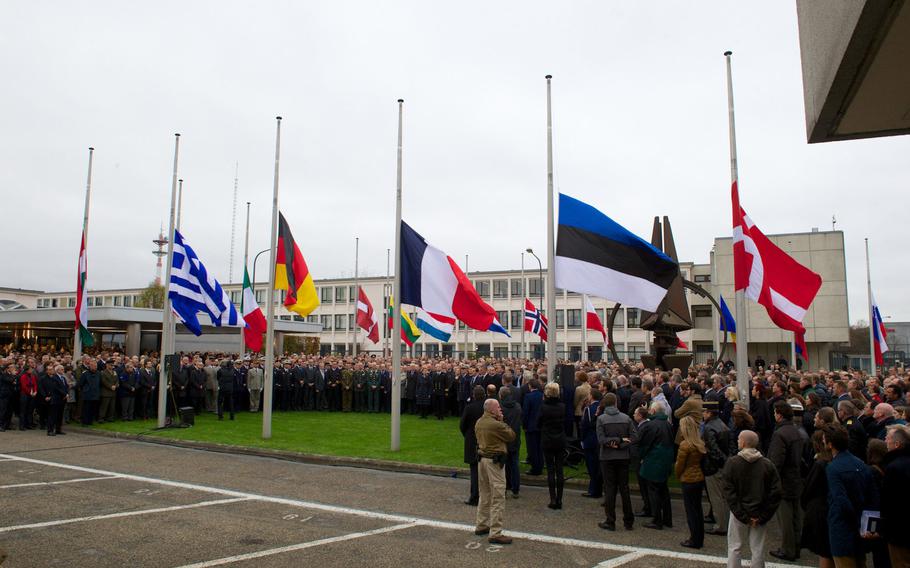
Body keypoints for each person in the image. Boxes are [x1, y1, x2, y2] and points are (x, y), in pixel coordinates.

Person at [723, 429, 782, 568]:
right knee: (757, 548)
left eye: (739, 439)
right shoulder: (767, 465)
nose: (737, 441)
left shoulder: (733, 463)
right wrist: (763, 516)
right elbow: (776, 492)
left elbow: (728, 491)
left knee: (734, 546)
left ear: (743, 442)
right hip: (759, 512)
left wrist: (741, 514)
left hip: (738, 512)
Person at [823, 423, 878, 568]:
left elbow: (840, 499)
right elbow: (873, 499)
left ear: (830, 444)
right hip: (861, 530)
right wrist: (869, 527)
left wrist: (857, 521)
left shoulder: (833, 468)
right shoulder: (861, 463)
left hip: (842, 528)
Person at [474, 397, 516, 545]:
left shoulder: (479, 421)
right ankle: (495, 532)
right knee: (498, 495)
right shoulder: (496, 424)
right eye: (498, 407)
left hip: (482, 460)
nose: (500, 410)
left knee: (484, 493)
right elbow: (511, 435)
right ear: (491, 409)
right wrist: (502, 420)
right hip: (494, 462)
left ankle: (481, 524)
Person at [768, 401, 806, 562]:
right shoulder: (797, 432)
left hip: (784, 480)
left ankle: (787, 549)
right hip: (796, 478)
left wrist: (770, 481)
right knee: (796, 516)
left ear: (779, 414)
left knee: (785, 518)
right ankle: (795, 546)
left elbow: (776, 461)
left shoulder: (780, 434)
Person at [596, 392, 634, 530]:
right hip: (622, 456)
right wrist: (619, 441)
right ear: (616, 403)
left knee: (610, 489)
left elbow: (601, 440)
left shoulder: (601, 419)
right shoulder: (626, 418)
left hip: (608, 457)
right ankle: (628, 520)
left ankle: (610, 520)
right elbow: (633, 437)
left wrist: (616, 444)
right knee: (624, 488)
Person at [638, 401, 674, 530]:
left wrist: (641, 457)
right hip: (665, 460)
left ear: (653, 411)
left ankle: (657, 519)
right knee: (663, 489)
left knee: (653, 490)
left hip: (653, 460)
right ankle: (667, 519)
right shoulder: (668, 424)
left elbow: (645, 445)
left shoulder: (651, 425)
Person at [881, 424, 910, 566]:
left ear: (897, 444)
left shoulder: (893, 467)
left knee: (900, 562)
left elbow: (888, 501)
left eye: (888, 438)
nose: (885, 440)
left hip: (898, 529)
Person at [676, 415, 706, 549]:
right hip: (698, 478)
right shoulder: (699, 443)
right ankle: (699, 537)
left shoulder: (685, 445)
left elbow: (679, 465)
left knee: (691, 511)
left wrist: (678, 475)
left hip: (688, 478)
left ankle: (694, 539)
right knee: (698, 510)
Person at [702, 399, 731, 536]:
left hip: (714, 466)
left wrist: (722, 461)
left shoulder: (709, 427)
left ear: (709, 413)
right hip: (722, 464)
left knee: (716, 497)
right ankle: (724, 522)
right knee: (722, 496)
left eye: (704, 412)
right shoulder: (722, 424)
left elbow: (713, 449)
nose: (703, 414)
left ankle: (720, 525)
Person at [538, 382, 566, 510]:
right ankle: (559, 499)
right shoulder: (562, 406)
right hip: (559, 438)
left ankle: (553, 499)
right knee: (559, 469)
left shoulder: (543, 407)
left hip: (548, 439)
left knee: (550, 469)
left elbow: (538, 422)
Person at [460, 385, 486, 506]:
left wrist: (468, 435)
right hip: (485, 440)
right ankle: (483, 496)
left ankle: (475, 496)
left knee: (474, 470)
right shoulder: (487, 407)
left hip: (473, 440)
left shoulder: (470, 408)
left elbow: (462, 425)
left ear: (474, 395)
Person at [499, 386, 522, 499]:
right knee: (514, 463)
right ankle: (515, 488)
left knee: (504, 464)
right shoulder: (517, 406)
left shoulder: (501, 408)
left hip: (504, 439)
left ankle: (506, 487)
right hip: (515, 438)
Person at [580, 389, 603, 499]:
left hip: (590, 439)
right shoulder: (602, 408)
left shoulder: (588, 409)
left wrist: (582, 439)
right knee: (598, 466)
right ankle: (597, 488)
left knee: (592, 466)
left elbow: (584, 426)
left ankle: (593, 490)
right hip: (600, 439)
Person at [522, 378, 544, 476]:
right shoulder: (542, 395)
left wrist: (525, 425)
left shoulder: (528, 396)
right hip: (540, 425)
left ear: (530, 386)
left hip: (531, 425)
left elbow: (526, 412)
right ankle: (540, 464)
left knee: (532, 448)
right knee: (539, 447)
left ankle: (535, 468)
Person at [43, 365, 69, 436]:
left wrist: (66, 393)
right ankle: (50, 430)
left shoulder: (63, 378)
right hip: (56, 399)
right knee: (53, 415)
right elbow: (56, 388)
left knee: (60, 415)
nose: (63, 371)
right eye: (62, 369)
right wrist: (64, 394)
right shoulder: (54, 378)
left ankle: (58, 429)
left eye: (63, 369)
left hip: (62, 399)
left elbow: (66, 386)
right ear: (57, 370)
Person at [77, 359, 100, 425]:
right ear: (90, 366)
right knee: (86, 409)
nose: (95, 367)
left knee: (93, 409)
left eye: (96, 366)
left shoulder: (98, 373)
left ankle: (90, 421)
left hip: (95, 394)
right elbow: (80, 383)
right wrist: (85, 390)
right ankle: (84, 421)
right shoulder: (85, 373)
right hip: (87, 394)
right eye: (93, 366)